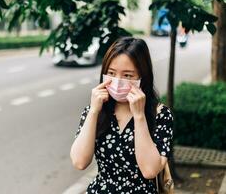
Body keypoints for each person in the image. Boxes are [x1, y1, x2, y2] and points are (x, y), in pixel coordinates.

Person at [70, 37, 174, 193]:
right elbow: (79, 162)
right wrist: (93, 111)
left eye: (127, 75)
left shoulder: (160, 114)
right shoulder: (97, 111)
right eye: (111, 73)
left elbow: (150, 170)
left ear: (142, 77)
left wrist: (139, 116)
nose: (117, 82)